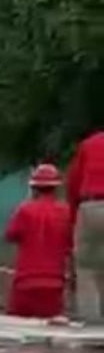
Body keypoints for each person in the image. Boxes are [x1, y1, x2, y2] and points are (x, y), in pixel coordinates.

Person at [5, 164, 74, 319]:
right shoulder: (67, 212)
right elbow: (72, 245)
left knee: (17, 327)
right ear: (56, 188)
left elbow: (10, 235)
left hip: (24, 282)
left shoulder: (24, 210)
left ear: (33, 188)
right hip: (55, 284)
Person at [67, 131, 104, 322]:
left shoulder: (90, 144)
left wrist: (73, 217)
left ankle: (92, 326)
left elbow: (73, 183)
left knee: (87, 269)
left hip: (90, 206)